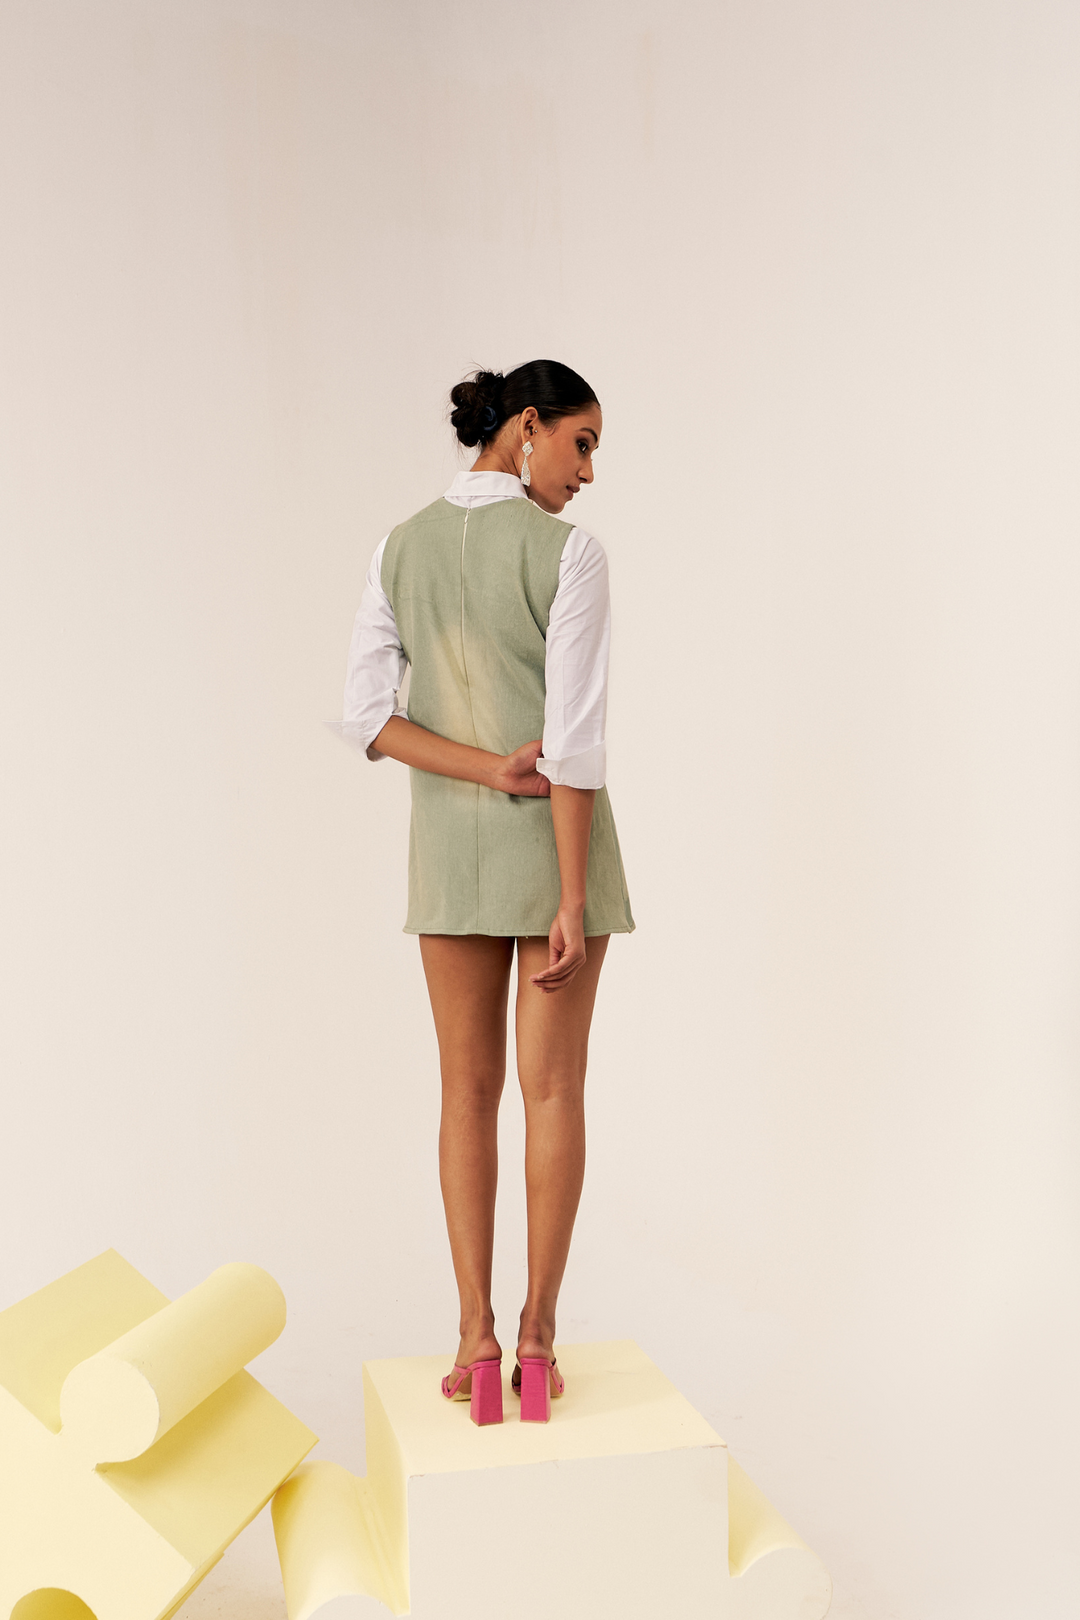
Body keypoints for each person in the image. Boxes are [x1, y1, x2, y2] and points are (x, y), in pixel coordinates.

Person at [343, 359, 634, 1424]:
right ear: (527, 427)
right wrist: (571, 895)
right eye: (582, 443)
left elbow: (369, 718)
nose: (588, 472)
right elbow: (575, 740)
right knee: (553, 1092)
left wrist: (479, 771)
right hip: (557, 854)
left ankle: (473, 1340)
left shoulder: (400, 546)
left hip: (449, 856)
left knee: (464, 1094)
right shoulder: (571, 554)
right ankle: (539, 1343)